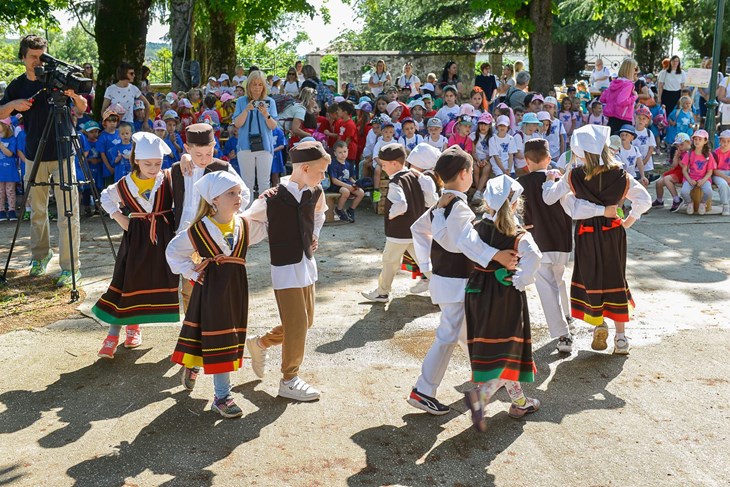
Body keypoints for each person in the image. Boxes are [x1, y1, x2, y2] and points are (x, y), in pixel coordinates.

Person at [408, 146, 518, 415]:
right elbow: (463, 242)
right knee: (448, 335)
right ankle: (423, 390)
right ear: (465, 173)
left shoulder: (442, 204)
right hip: (456, 283)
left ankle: (487, 375)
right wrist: (497, 255)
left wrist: (427, 266)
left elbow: (418, 229)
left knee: (467, 333)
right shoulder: (457, 207)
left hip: (448, 281)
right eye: (471, 171)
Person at [543, 124, 651, 355]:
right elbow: (645, 200)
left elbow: (551, 198)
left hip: (587, 235)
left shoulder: (574, 175)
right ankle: (621, 338)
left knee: (591, 277)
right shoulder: (621, 175)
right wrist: (629, 220)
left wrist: (550, 180)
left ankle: (599, 324)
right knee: (615, 277)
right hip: (613, 233)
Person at [167, 170, 259, 418]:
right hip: (211, 290)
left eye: (239, 192)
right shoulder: (198, 230)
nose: (237, 197)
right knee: (220, 338)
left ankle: (193, 364)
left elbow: (269, 226)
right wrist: (192, 273)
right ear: (214, 200)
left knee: (208, 335)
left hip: (236, 290)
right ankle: (222, 397)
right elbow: (173, 252)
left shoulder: (244, 224)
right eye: (231, 193)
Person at [243, 141, 329, 402]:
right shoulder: (270, 198)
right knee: (297, 324)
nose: (324, 177)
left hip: (306, 263)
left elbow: (320, 215)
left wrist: (314, 234)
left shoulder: (316, 192)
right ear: (304, 168)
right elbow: (245, 223)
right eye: (321, 171)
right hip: (284, 267)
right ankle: (289, 379)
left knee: (306, 322)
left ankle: (260, 343)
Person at [0, 35, 86, 285]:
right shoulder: (17, 85)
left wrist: (73, 94)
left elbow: (81, 107)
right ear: (23, 57)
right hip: (33, 153)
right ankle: (40, 256)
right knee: (37, 210)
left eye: (42, 56)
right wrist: (14, 104)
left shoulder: (56, 80)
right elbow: (1, 110)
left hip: (63, 150)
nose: (38, 61)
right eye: (33, 57)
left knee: (68, 212)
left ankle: (71, 267)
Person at [462, 175, 542, 432]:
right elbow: (535, 257)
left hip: (477, 292)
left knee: (498, 350)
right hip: (504, 295)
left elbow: (466, 248)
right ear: (517, 202)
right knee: (509, 350)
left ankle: (519, 402)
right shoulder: (518, 235)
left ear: (486, 202)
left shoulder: (475, 228)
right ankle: (482, 396)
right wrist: (521, 279)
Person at [520, 138, 615, 354]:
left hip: (537, 242)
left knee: (547, 288)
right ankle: (567, 316)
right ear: (549, 158)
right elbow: (575, 206)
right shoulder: (563, 180)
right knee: (558, 280)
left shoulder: (521, 184)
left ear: (526, 160)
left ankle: (563, 334)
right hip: (562, 241)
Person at [94, 132, 180, 358]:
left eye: (158, 163)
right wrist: (119, 217)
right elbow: (105, 197)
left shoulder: (168, 178)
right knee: (127, 281)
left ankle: (134, 327)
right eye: (147, 163)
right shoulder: (125, 184)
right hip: (137, 239)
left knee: (159, 280)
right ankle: (114, 334)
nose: (153, 168)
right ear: (136, 161)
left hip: (164, 237)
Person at [361, 144, 438, 303]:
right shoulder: (413, 176)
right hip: (414, 229)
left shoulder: (396, 182)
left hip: (398, 232)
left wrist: (391, 214)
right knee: (424, 263)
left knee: (389, 261)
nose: (382, 168)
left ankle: (382, 292)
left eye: (384, 164)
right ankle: (445, 288)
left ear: (394, 164)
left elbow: (401, 205)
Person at [233, 70, 278, 200]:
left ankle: (263, 214)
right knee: (247, 184)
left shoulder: (270, 102)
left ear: (264, 86)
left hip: (264, 146)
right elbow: (237, 124)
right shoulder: (241, 101)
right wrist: (246, 110)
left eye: (260, 84)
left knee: (264, 182)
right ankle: (248, 216)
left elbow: (273, 126)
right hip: (245, 146)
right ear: (249, 86)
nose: (257, 88)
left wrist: (265, 114)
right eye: (254, 84)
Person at [101, 62, 150, 130]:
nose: (134, 75)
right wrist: (107, 124)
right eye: (131, 73)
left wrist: (146, 121)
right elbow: (104, 110)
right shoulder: (111, 89)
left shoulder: (134, 89)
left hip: (129, 124)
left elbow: (147, 104)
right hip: (114, 124)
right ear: (123, 74)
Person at [680, 130, 715, 215]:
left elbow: (710, 171)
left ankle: (703, 203)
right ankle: (689, 203)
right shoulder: (689, 154)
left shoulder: (709, 155)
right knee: (683, 192)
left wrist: (703, 180)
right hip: (690, 178)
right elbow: (684, 170)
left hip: (704, 179)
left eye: (700, 139)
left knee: (709, 192)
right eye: (695, 139)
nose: (697, 141)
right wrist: (689, 180)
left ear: (705, 141)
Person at [600, 58, 639, 135]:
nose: (637, 71)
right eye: (636, 69)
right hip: (623, 118)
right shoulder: (628, 84)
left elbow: (603, 98)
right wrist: (635, 97)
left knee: (611, 143)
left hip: (612, 117)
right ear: (631, 70)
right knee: (624, 144)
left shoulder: (614, 82)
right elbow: (621, 101)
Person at [328, 140, 365, 222]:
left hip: (346, 183)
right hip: (336, 185)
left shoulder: (348, 164)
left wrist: (355, 184)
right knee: (346, 192)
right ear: (335, 153)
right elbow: (334, 180)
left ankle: (351, 209)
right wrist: (348, 186)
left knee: (361, 192)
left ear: (348, 151)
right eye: (340, 152)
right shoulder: (333, 164)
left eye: (344, 151)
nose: (343, 154)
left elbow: (350, 178)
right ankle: (339, 209)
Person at [653, 133, 690, 212]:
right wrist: (676, 157)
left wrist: (680, 160)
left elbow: (685, 167)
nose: (679, 147)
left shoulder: (690, 153)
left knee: (667, 179)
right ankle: (659, 200)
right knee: (659, 183)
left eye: (682, 144)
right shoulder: (679, 152)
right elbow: (674, 165)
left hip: (684, 173)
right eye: (678, 145)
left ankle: (677, 199)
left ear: (688, 143)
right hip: (676, 171)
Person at [0, 118, 19, 220]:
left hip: (10, 171)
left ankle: (12, 210)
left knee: (10, 191)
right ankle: (1, 211)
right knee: (0, 192)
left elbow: (10, 153)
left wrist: (1, 146)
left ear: (6, 126)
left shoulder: (12, 139)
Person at [713, 130, 730, 216]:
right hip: (718, 173)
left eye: (728, 141)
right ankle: (725, 205)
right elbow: (714, 170)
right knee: (723, 184)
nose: (726, 144)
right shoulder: (715, 153)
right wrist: (726, 178)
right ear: (720, 141)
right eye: (723, 141)